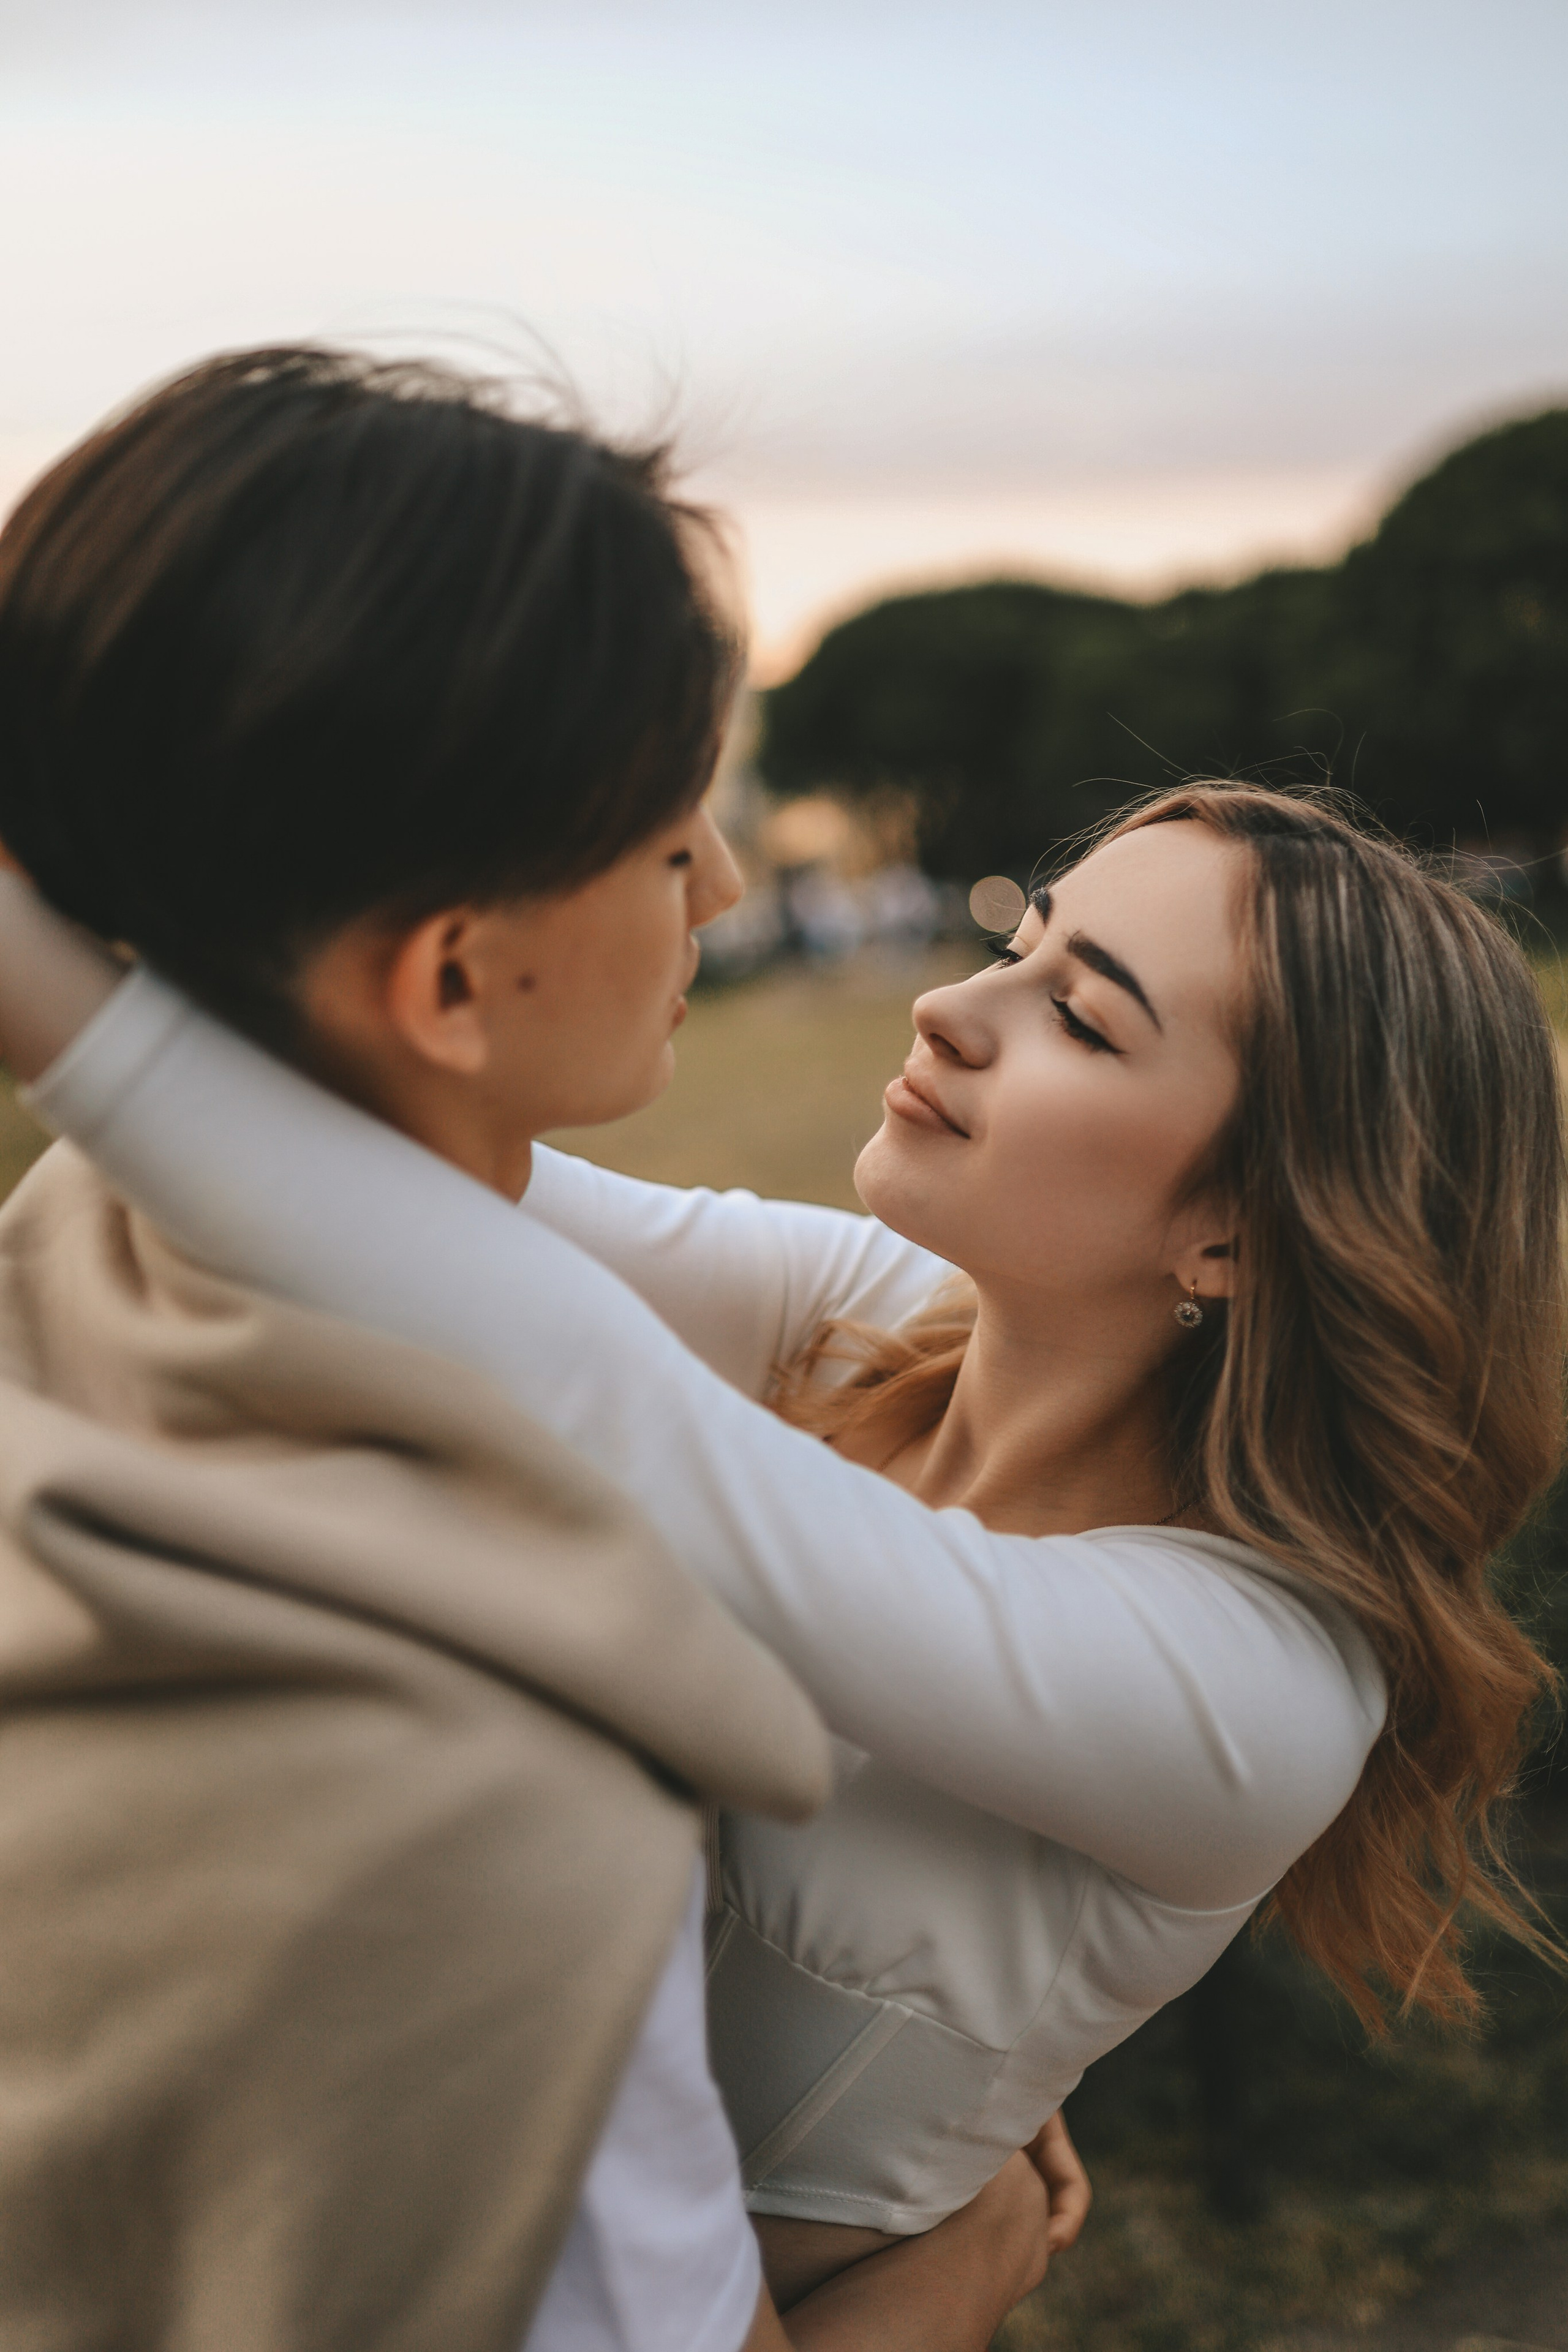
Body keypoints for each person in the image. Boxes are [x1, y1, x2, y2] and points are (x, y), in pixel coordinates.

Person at [1, 350, 1559, 2316]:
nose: (950, 1014)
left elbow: (595, 1396)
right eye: (1015, 944)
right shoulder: (885, 1323)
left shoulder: (1257, 1688)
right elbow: (416, 1180)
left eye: (1083, 1016)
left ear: (1248, 1232)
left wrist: (40, 989)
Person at [0, 349, 1079, 2352]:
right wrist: (961, 2276)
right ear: (457, 975)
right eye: (675, 839)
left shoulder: (71, 1275)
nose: (732, 884)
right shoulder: (475, 1809)